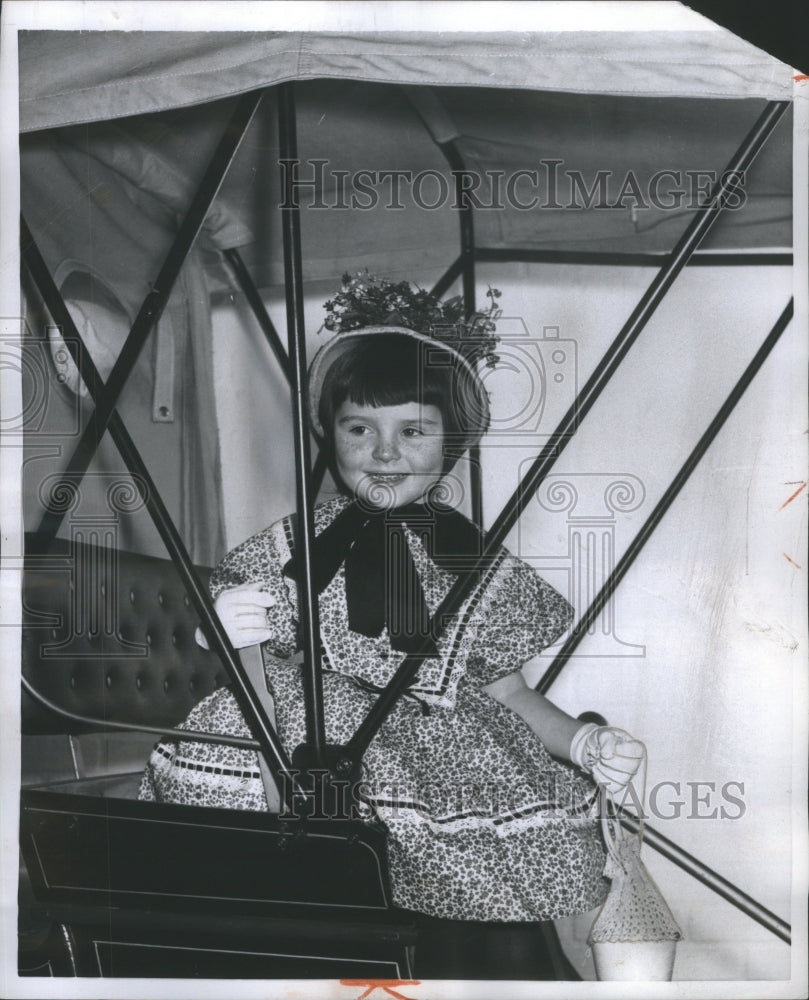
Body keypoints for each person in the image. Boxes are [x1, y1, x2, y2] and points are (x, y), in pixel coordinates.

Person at [139, 322, 644, 979]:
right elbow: (243, 664)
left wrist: (579, 741)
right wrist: (222, 631)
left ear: (449, 443)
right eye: (359, 429)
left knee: (523, 833)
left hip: (440, 758)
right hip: (308, 748)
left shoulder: (471, 560)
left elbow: (507, 691)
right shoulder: (292, 545)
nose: (383, 453)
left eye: (412, 431)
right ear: (331, 434)